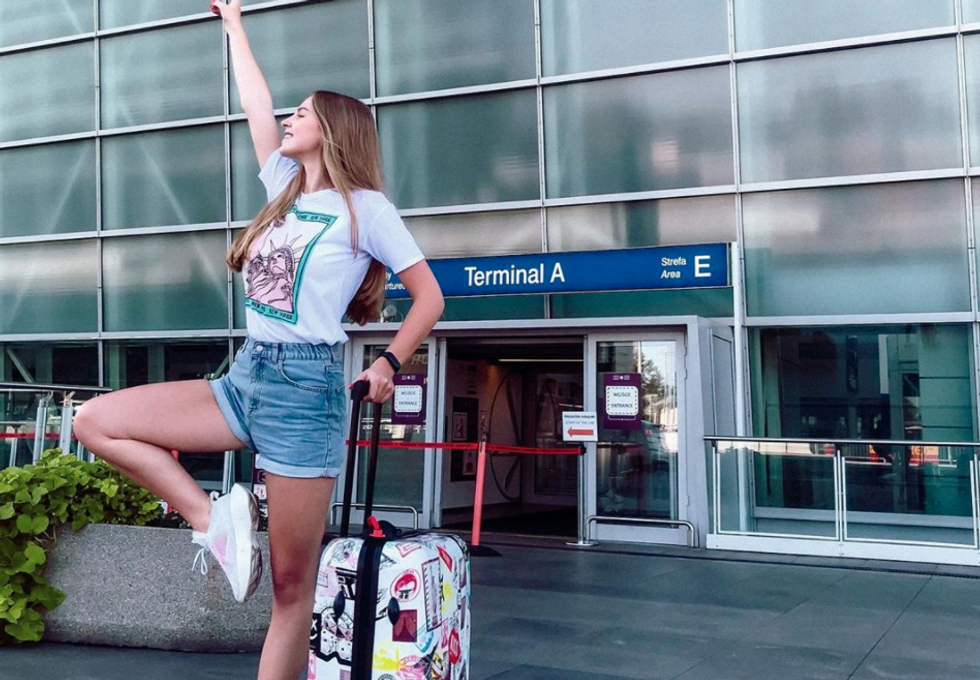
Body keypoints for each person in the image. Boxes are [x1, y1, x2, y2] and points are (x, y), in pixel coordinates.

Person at [72, 1, 445, 678]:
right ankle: (212, 519)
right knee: (94, 421)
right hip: (246, 376)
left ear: (333, 130)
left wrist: (389, 362)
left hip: (307, 391)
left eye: (302, 113)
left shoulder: (367, 210)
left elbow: (430, 297)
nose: (288, 119)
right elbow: (253, 104)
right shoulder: (283, 187)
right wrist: (235, 25)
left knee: (290, 589)